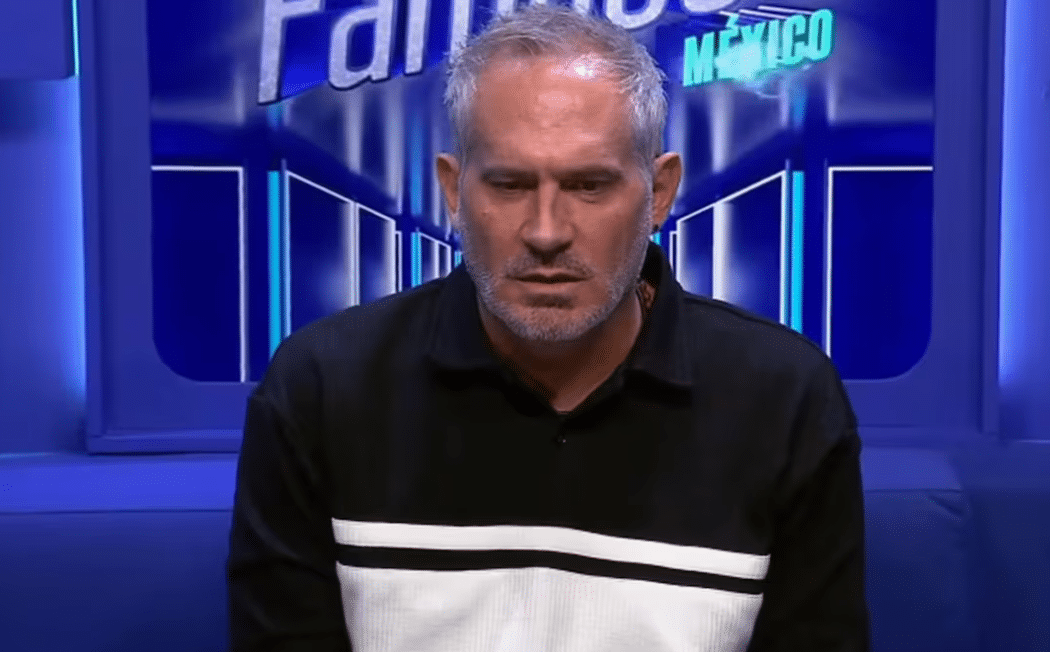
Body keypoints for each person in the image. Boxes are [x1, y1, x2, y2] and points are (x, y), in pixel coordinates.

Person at [227, 5, 870, 651]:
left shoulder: (785, 398)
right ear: (453, 191)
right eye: (509, 185)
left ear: (659, 193)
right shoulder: (322, 388)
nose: (545, 232)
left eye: (589, 185)